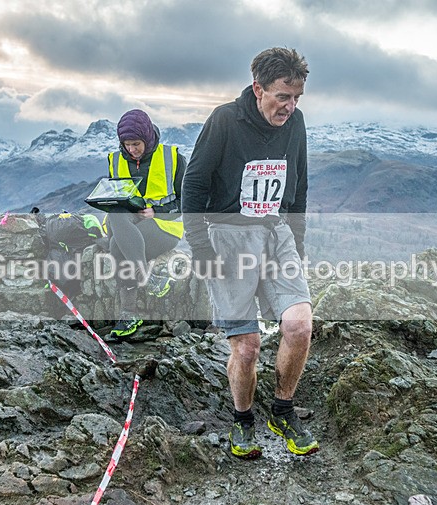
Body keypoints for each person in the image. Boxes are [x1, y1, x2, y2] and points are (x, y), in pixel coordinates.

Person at [182, 48, 317, 458]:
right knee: (248, 346)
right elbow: (193, 185)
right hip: (227, 237)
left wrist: (298, 243)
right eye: (282, 97)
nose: (289, 107)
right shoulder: (224, 120)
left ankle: (282, 409)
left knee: (299, 326)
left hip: (277, 235)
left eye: (296, 98)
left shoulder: (295, 125)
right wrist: (201, 248)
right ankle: (243, 422)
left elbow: (300, 187)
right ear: (258, 89)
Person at [104, 109, 185, 338]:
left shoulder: (173, 158)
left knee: (115, 248)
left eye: (136, 144)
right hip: (129, 226)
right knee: (116, 212)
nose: (132, 150)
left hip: (164, 227)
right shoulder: (115, 159)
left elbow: (188, 202)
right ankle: (146, 279)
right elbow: (116, 196)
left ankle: (129, 314)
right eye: (127, 144)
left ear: (147, 138)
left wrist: (157, 211)